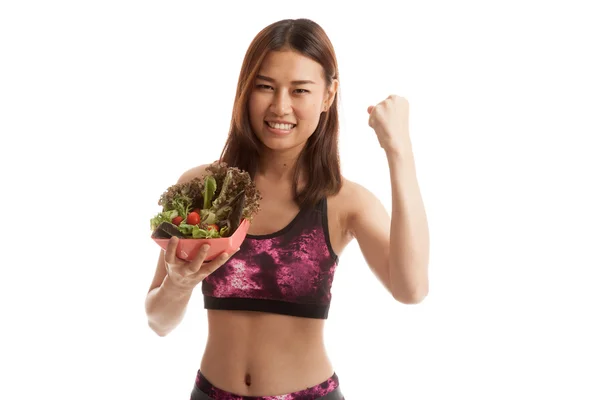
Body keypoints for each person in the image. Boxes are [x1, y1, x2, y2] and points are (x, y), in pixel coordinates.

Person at [145, 18, 430, 400]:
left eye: (300, 90)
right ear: (246, 90)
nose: (280, 107)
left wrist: (400, 152)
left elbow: (411, 289)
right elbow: (158, 321)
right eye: (265, 87)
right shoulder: (203, 192)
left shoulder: (344, 201)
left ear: (328, 96)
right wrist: (178, 283)